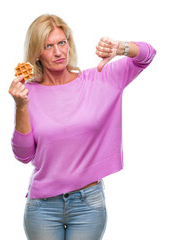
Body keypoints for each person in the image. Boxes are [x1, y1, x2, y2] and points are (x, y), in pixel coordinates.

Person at [9, 14, 156, 240]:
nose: (58, 52)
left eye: (62, 42)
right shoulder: (29, 93)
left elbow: (147, 55)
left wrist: (122, 48)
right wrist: (21, 106)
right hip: (42, 207)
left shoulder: (99, 79)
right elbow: (23, 155)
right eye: (48, 46)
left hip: (88, 204)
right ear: (37, 52)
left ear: (69, 43)